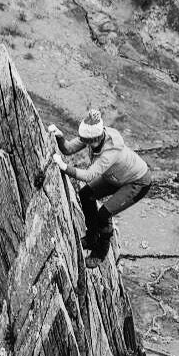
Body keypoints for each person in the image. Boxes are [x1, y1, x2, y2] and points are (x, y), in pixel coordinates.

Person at [48, 109, 152, 267]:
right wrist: (60, 136)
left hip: (137, 182)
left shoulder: (110, 152)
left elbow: (89, 175)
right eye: (84, 140)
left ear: (96, 137)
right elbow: (68, 149)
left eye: (87, 141)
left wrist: (64, 167)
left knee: (104, 214)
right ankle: (91, 238)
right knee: (85, 194)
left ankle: (100, 252)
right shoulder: (91, 136)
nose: (85, 143)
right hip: (114, 177)